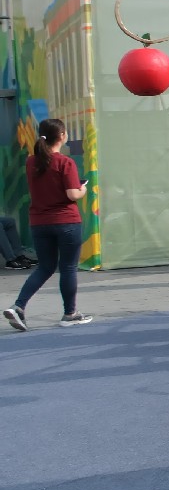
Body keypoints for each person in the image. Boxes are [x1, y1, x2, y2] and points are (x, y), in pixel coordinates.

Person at [3, 118, 91, 331]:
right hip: (66, 221)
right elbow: (72, 194)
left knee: (45, 267)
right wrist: (83, 189)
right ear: (62, 136)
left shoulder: (31, 162)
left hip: (39, 222)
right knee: (68, 267)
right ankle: (69, 314)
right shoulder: (65, 162)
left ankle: (19, 306)